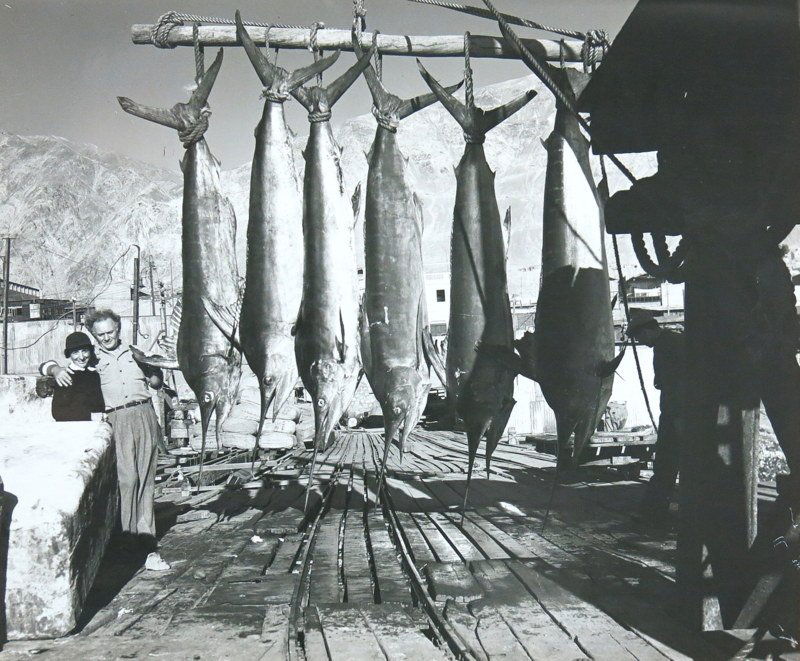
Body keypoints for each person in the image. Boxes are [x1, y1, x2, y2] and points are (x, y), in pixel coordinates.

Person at [40, 309, 170, 571]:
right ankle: (125, 539)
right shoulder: (93, 358)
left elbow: (156, 383)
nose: (106, 337)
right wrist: (53, 369)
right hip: (115, 419)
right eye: (100, 334)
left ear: (118, 329)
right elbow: (51, 366)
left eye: (110, 332)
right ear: (94, 336)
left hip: (144, 413)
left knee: (145, 478)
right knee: (126, 479)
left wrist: (154, 366)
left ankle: (146, 543)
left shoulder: (136, 353)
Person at [626, 313, 686, 521]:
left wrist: (678, 418)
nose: (640, 343)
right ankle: (655, 511)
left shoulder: (669, 344)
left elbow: (679, 383)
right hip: (673, 412)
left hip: (677, 413)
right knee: (667, 464)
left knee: (668, 464)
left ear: (646, 331)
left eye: (639, 338)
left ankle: (655, 512)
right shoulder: (667, 343)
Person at [51, 331, 105, 422]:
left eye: (85, 351)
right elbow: (57, 412)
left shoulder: (94, 375)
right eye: (75, 352)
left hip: (95, 428)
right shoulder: (65, 375)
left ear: (90, 351)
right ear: (69, 355)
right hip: (73, 429)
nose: (81, 357)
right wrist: (89, 416)